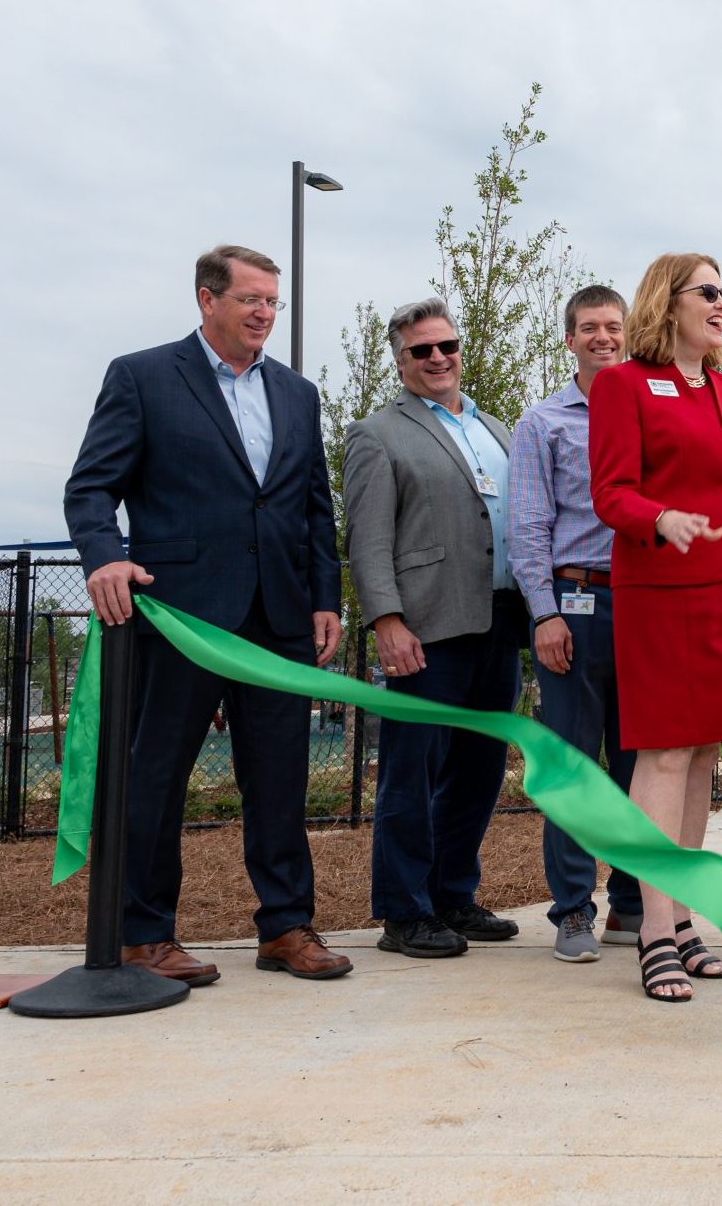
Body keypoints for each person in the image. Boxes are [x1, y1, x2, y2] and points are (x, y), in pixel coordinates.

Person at [63, 243, 351, 983]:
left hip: (279, 620)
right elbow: (91, 487)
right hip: (180, 616)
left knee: (281, 779)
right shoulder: (144, 376)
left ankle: (286, 928)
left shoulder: (297, 393)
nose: (263, 314)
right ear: (206, 299)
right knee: (155, 777)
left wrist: (325, 597)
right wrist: (104, 557)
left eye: (272, 302)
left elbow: (315, 507)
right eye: (251, 299)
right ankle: (143, 934)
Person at [589, 253, 722, 1001]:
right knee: (664, 753)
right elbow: (611, 492)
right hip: (662, 587)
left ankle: (683, 920)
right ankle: (652, 928)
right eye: (708, 292)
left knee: (702, 752)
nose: (721, 304)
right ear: (667, 303)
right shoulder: (622, 385)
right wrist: (659, 516)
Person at [346, 298, 526, 960]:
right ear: (401, 361)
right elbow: (366, 539)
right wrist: (387, 621)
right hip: (425, 627)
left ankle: (452, 895)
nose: (438, 358)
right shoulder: (377, 434)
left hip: (500, 620)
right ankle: (403, 911)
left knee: (478, 772)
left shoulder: (500, 429)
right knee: (410, 774)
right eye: (421, 350)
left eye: (446, 345)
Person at [507, 283, 645, 963]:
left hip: (645, 608)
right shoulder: (543, 423)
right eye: (588, 328)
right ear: (569, 340)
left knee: (639, 767)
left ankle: (632, 906)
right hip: (577, 605)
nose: (603, 338)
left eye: (612, 327)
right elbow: (528, 526)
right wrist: (546, 615)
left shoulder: (648, 410)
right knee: (571, 765)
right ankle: (570, 911)